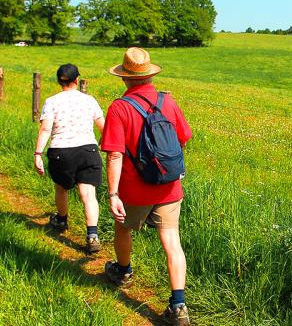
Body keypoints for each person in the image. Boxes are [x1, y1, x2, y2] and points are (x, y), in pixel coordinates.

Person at [101, 47, 192, 326]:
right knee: (172, 242)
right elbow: (184, 137)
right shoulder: (168, 101)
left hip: (134, 189)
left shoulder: (120, 107)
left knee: (123, 227)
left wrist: (113, 193)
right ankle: (178, 305)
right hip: (168, 186)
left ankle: (123, 271)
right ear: (149, 75)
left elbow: (115, 154)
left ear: (125, 78)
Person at [34, 63, 105, 253]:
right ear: (76, 80)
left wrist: (38, 153)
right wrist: (100, 145)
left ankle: (62, 219)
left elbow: (46, 129)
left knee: (62, 188)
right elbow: (103, 127)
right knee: (89, 194)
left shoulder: (51, 101)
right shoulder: (89, 100)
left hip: (61, 152)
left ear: (59, 81)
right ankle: (92, 235)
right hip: (88, 150)